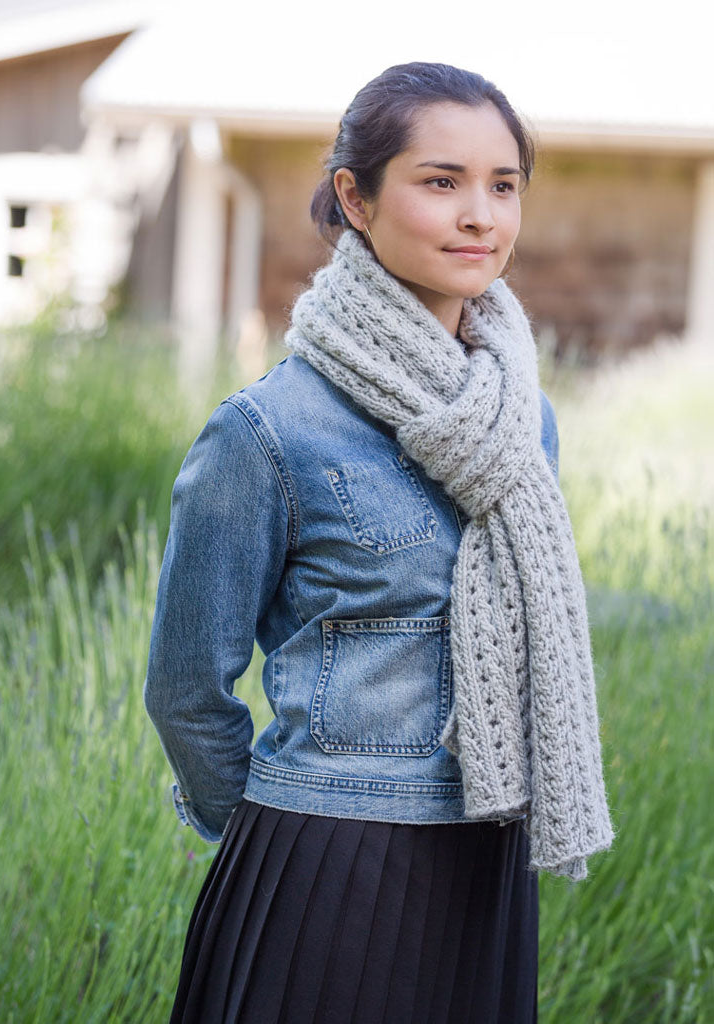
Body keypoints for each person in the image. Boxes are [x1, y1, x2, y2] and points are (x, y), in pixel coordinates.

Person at [144, 61, 613, 1024]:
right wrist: (280, 827)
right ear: (355, 199)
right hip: (326, 865)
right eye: (441, 181)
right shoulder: (268, 432)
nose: (480, 215)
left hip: (488, 854)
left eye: (504, 185)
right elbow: (186, 689)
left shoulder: (523, 421)